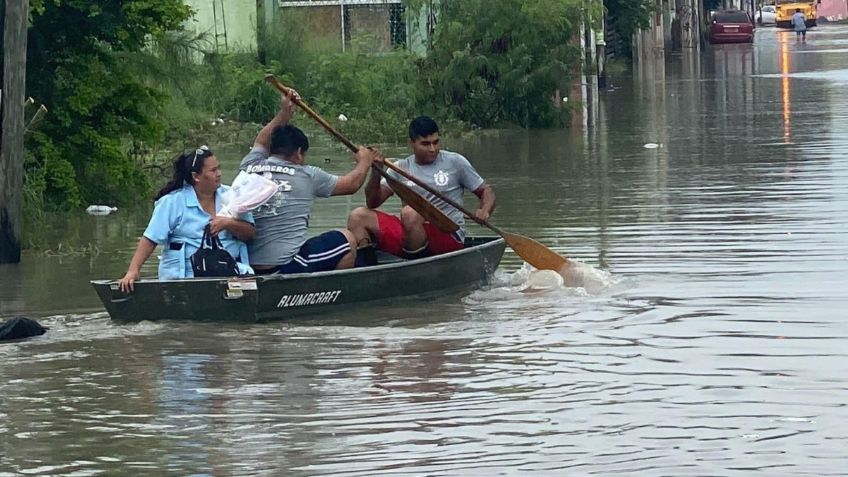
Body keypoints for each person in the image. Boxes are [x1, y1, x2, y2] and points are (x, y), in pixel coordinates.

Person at [240, 92, 381, 274]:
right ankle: (329, 292)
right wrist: (365, 161)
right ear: (299, 152)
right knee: (347, 239)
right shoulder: (307, 175)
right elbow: (352, 184)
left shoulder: (249, 166)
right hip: (285, 266)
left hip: (247, 265)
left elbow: (261, 140)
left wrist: (284, 113)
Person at [347, 116, 496, 260]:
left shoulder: (455, 162)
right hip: (410, 234)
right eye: (425, 144)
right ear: (411, 143)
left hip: (447, 235)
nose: (433, 149)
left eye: (436, 142)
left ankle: (416, 264)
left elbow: (486, 191)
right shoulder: (399, 168)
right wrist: (376, 172)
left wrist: (484, 210)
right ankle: (369, 266)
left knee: (409, 213)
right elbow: (373, 203)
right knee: (358, 216)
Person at [118, 146, 257, 292]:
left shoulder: (233, 196)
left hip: (229, 274)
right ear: (196, 176)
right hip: (184, 278)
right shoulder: (172, 202)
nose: (219, 174)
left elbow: (250, 234)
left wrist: (229, 223)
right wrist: (133, 270)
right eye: (213, 170)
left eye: (219, 168)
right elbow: (150, 239)